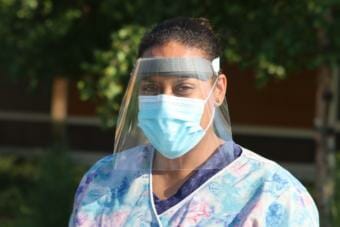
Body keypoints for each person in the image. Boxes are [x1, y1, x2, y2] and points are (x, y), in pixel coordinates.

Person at [69, 17, 319, 226]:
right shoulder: (103, 182)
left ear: (218, 90)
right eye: (151, 87)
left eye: (183, 87)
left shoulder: (274, 195)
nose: (165, 101)